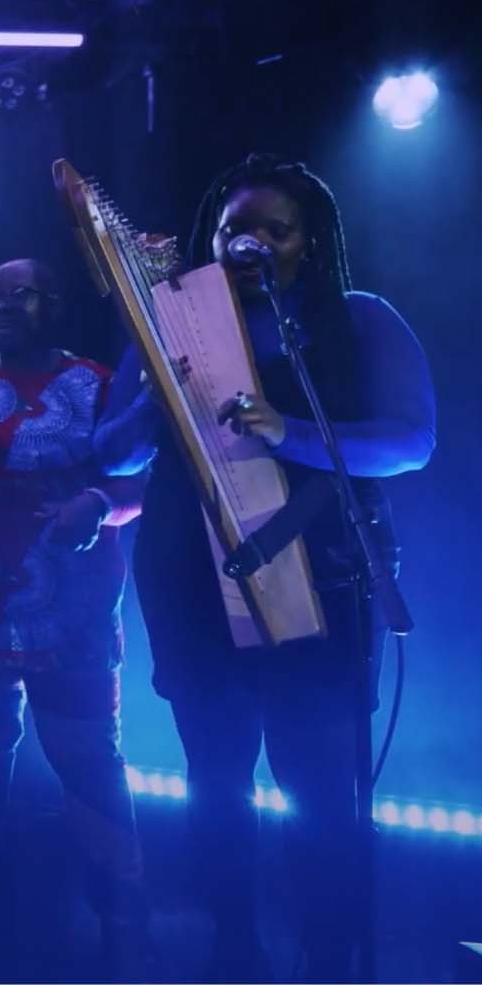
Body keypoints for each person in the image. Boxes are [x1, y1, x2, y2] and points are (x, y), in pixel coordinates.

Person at [92, 154, 435, 981]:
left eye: (274, 230)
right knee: (216, 783)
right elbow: (111, 452)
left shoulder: (358, 320)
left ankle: (328, 957)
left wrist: (290, 432)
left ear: (308, 243)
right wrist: (154, 399)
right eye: (234, 227)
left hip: (322, 582)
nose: (251, 242)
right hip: (188, 583)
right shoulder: (169, 320)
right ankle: (234, 949)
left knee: (320, 792)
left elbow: (410, 442)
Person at [0, 258, 148, 975]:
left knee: (89, 763)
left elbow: (140, 481)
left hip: (73, 609)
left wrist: (99, 505)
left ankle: (120, 918)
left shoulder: (97, 384)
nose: (3, 306)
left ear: (57, 304)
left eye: (21, 294)